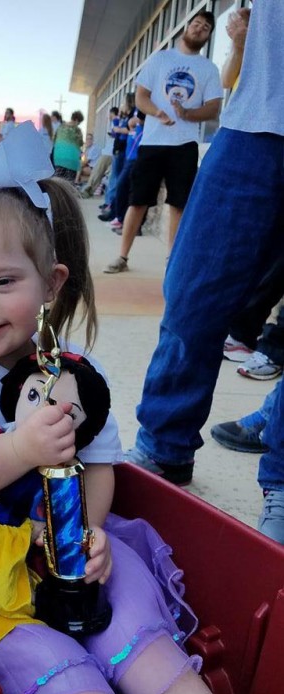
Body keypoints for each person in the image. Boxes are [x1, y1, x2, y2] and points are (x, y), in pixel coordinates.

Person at [0, 122, 243, 694]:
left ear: (50, 285)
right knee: (67, 679)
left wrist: (89, 532)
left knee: (144, 642)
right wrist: (20, 449)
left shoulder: (67, 369)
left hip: (60, 549)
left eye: (4, 282)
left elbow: (99, 464)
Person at [125, 0, 284, 544]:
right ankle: (163, 445)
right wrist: (240, 41)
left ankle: (283, 481)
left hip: (243, 125)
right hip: (257, 121)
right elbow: (229, 87)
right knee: (193, 289)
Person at [104, 11, 223, 274]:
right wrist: (157, 112)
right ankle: (122, 257)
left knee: (179, 203)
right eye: (196, 24)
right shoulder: (160, 59)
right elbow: (141, 96)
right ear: (186, 28)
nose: (200, 29)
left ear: (207, 37)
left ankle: (172, 261)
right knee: (138, 200)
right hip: (153, 143)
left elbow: (214, 108)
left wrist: (188, 114)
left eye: (205, 28)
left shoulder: (208, 68)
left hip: (185, 144)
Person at [80, 107, 118, 199]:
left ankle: (87, 191)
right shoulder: (115, 122)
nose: (108, 116)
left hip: (109, 153)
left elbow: (116, 134)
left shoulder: (116, 121)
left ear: (111, 113)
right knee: (105, 176)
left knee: (97, 174)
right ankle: (92, 192)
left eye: (109, 114)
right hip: (111, 153)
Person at [52, 110, 84, 183]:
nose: (78, 124)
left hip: (58, 158)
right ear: (76, 120)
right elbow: (80, 143)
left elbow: (54, 140)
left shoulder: (60, 127)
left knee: (57, 181)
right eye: (79, 123)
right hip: (71, 160)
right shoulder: (77, 130)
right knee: (69, 182)